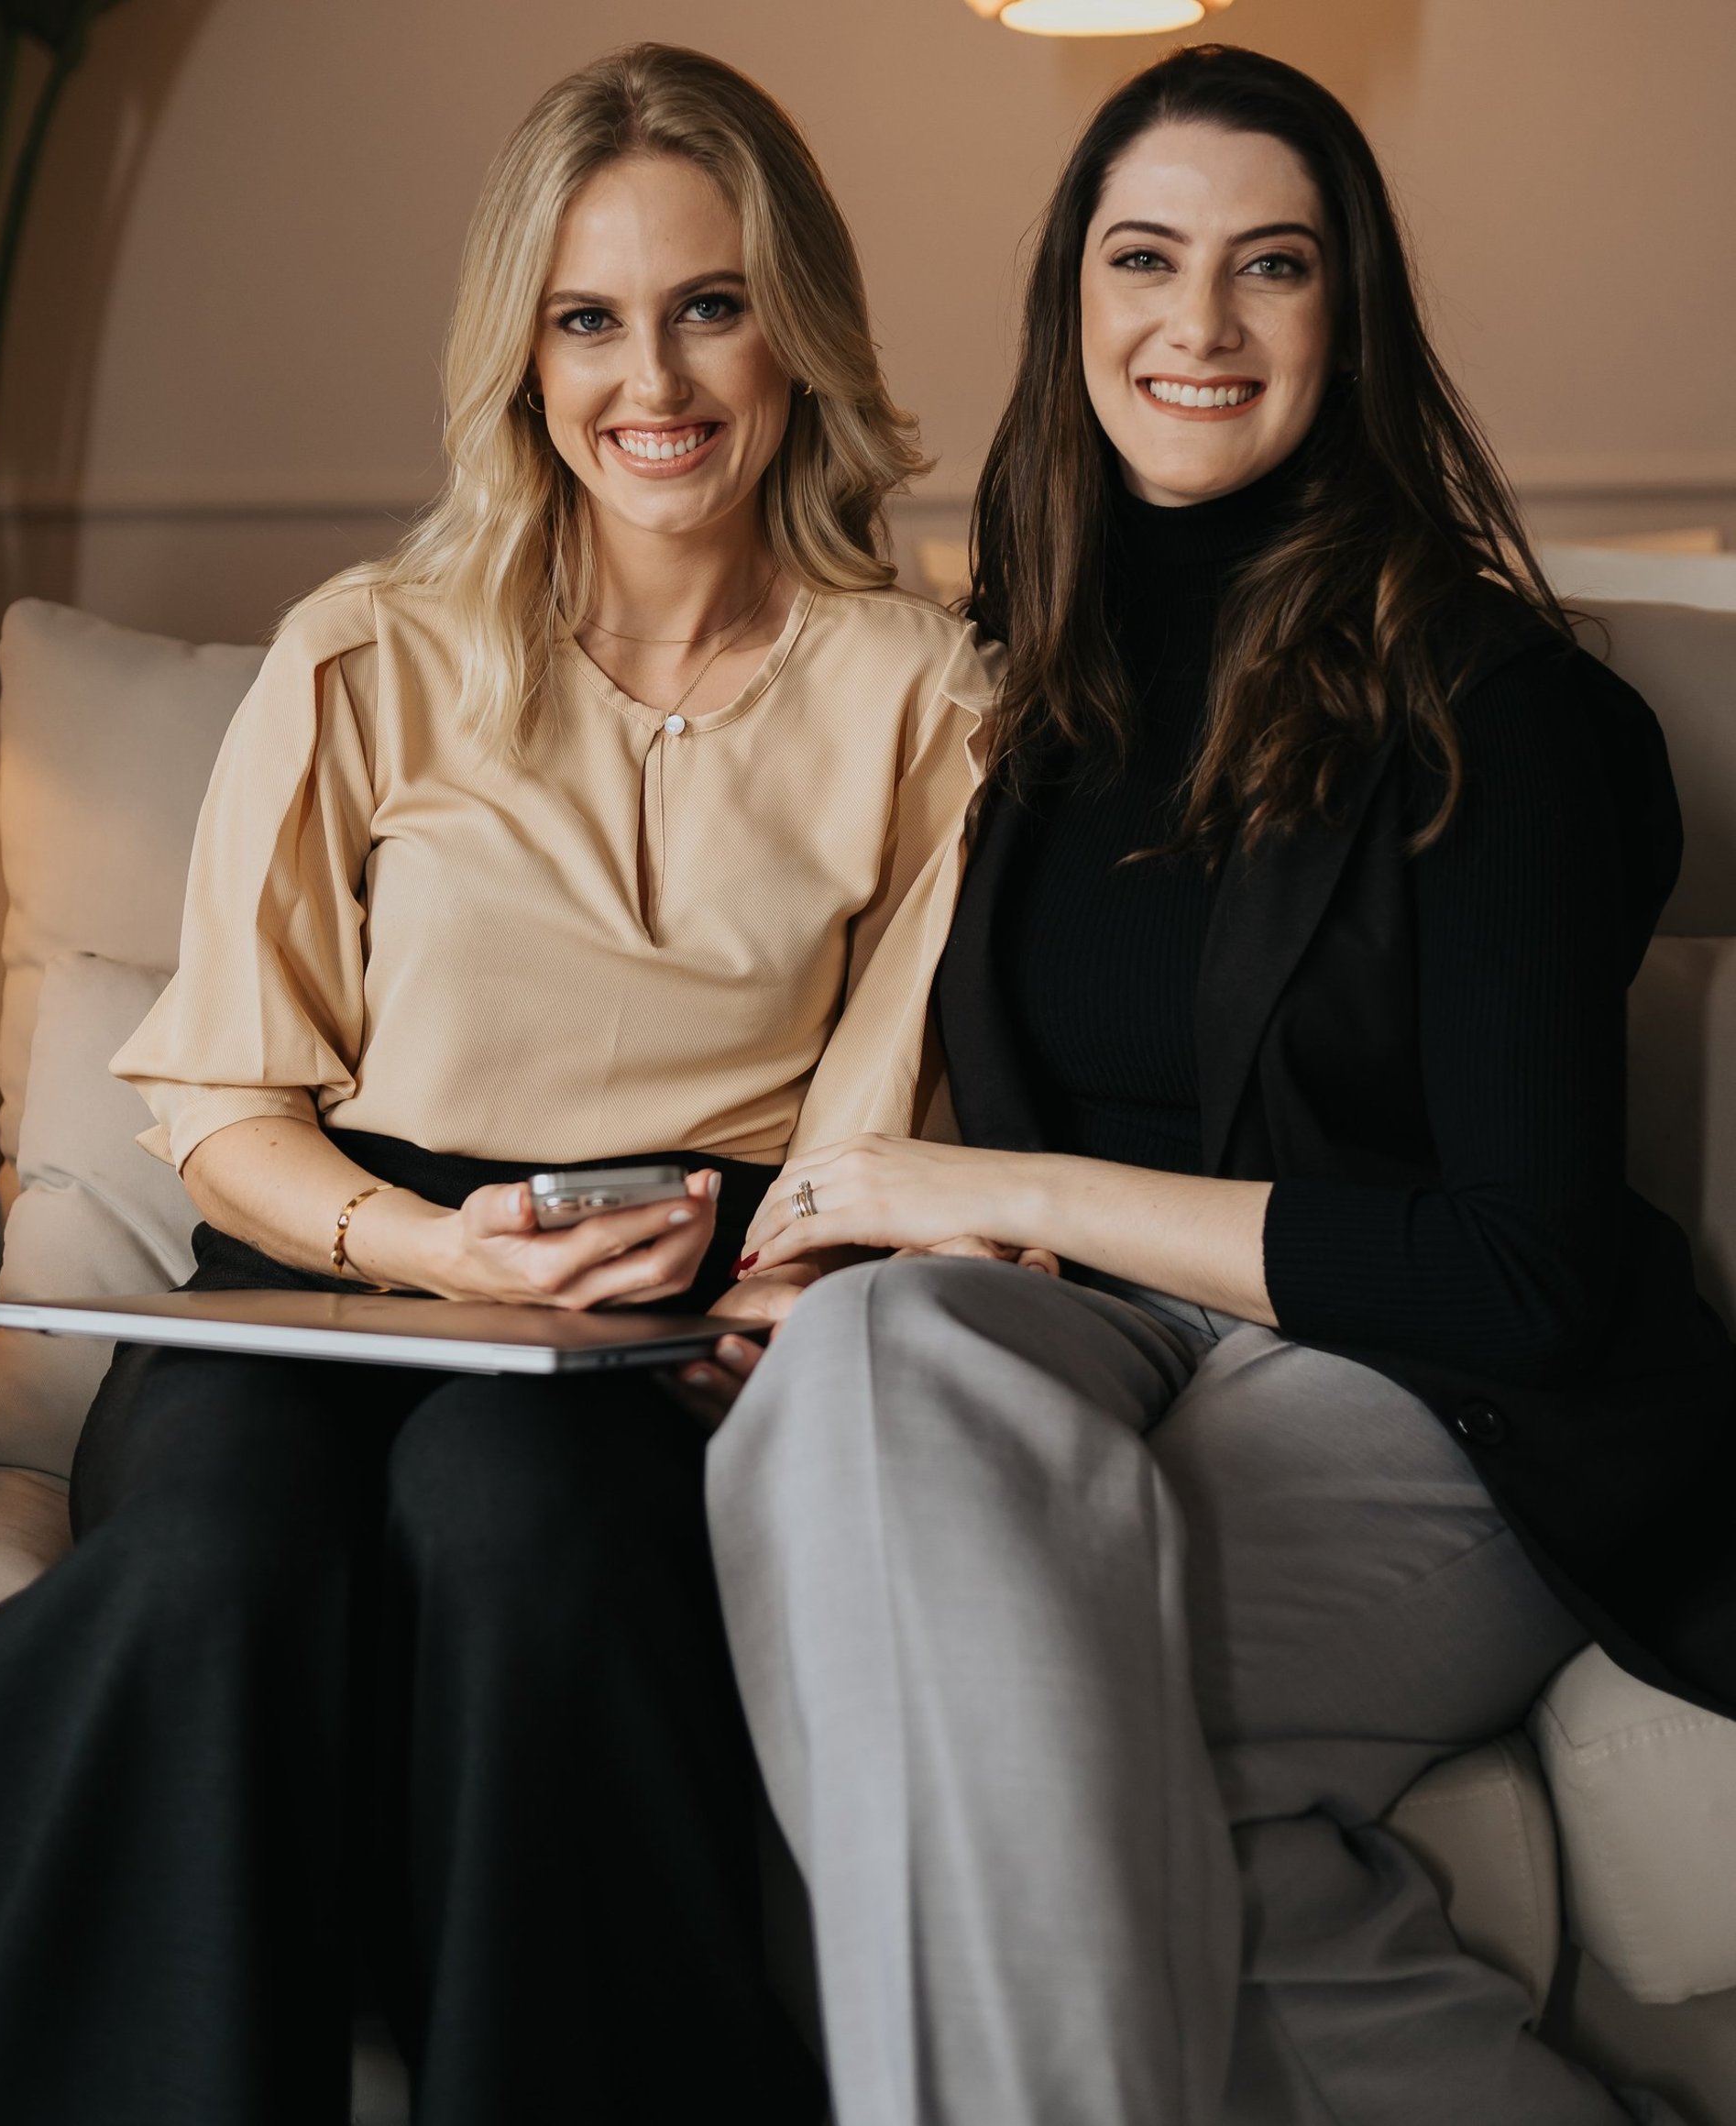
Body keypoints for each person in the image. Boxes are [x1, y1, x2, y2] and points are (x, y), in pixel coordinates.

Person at [702, 43, 1733, 2126]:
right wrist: (856, 1236)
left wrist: (1014, 1188)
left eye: (1271, 267)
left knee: (1001, 1718)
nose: (1198, 322)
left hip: (1442, 1403)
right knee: (869, 1363)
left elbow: (1521, 1270)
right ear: (1072, 302)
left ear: (1348, 320)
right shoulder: (1038, 689)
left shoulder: (1497, 708)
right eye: (1145, 258)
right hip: (1110, 1352)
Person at [0, 43, 994, 2126]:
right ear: (521, 355)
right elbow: (229, 1099)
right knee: (220, 1555)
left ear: (793, 325)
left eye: (711, 305)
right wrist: (433, 1245)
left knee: (514, 1519)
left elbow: (882, 1117)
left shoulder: (932, 691)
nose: (658, 381)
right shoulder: (364, 648)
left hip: (661, 1301)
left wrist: (775, 1295)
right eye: (589, 317)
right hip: (325, 1264)